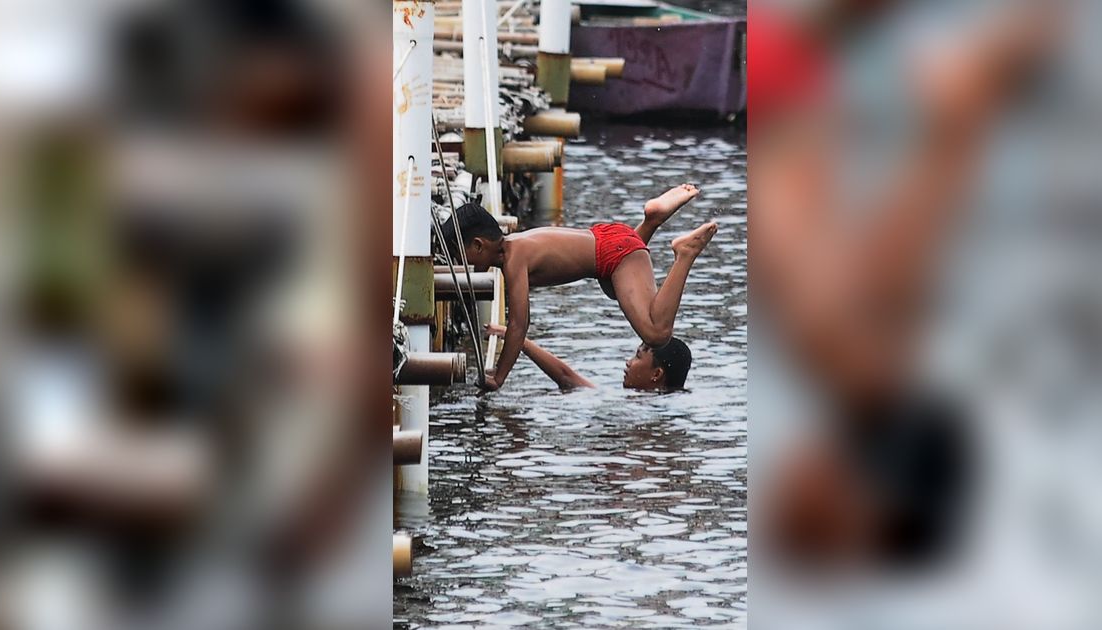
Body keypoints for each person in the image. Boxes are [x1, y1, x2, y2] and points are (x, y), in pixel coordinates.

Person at [750, 1, 1064, 568]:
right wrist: (965, 115)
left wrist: (964, 117)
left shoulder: (853, 355)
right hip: (778, 86)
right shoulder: (840, 343)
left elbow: (907, 245)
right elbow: (904, 246)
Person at [440, 184, 715, 391]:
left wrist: (498, 377)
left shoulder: (514, 261)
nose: (458, 264)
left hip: (616, 253)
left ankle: (685, 253)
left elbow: (519, 324)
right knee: (613, 291)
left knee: (656, 333)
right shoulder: (516, 245)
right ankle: (651, 220)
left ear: (478, 245)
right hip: (611, 240)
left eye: (459, 256)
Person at [483, 323, 691, 392]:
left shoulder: (638, 404)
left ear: (656, 374)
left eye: (637, 357)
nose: (628, 362)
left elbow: (567, 378)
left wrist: (517, 338)